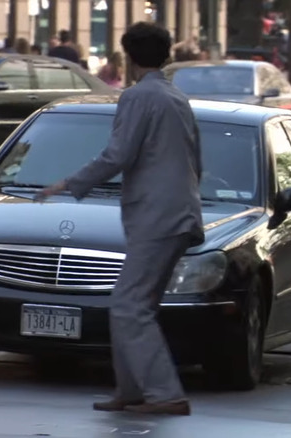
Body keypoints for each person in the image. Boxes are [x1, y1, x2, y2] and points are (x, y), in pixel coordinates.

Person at [34, 22, 202, 416]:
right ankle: (132, 390)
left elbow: (117, 155)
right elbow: (195, 160)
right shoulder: (176, 98)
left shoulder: (139, 97)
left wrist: (67, 183)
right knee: (131, 304)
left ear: (129, 57)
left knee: (129, 306)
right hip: (176, 213)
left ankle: (163, 393)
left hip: (157, 216)